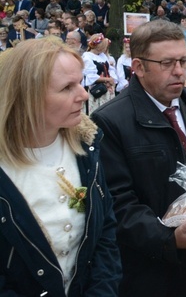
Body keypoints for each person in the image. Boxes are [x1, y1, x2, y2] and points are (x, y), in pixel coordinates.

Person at [90, 20, 186, 297]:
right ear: (138, 67)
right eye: (167, 63)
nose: (179, 72)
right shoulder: (110, 121)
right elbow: (117, 202)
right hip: (152, 269)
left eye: (183, 60)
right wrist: (167, 239)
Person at [0, 37, 121, 295]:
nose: (84, 94)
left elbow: (104, 234)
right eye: (67, 87)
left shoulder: (87, 149)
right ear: (27, 97)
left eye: (79, 82)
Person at [82, 33, 117, 114]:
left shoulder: (102, 56)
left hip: (106, 89)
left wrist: (112, 79)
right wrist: (107, 79)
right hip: (96, 90)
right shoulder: (87, 57)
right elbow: (91, 77)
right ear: (98, 46)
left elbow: (110, 69)